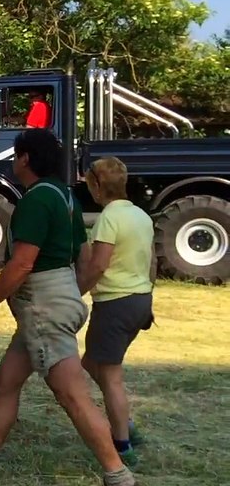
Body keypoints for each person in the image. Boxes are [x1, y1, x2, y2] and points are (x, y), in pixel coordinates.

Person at [0, 128, 144, 486]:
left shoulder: (36, 199)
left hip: (41, 306)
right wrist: (69, 297)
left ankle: (119, 480)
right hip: (53, 299)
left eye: (15, 155)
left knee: (72, 395)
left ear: (25, 159)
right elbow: (84, 258)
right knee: (8, 379)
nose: (13, 161)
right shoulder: (66, 196)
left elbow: (22, 264)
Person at [76, 156, 155, 468]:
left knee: (110, 377)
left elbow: (98, 265)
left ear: (97, 186)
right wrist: (147, 298)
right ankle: (125, 423)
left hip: (115, 302)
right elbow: (152, 263)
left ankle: (123, 445)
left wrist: (74, 293)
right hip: (139, 299)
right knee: (90, 362)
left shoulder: (109, 218)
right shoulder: (141, 216)